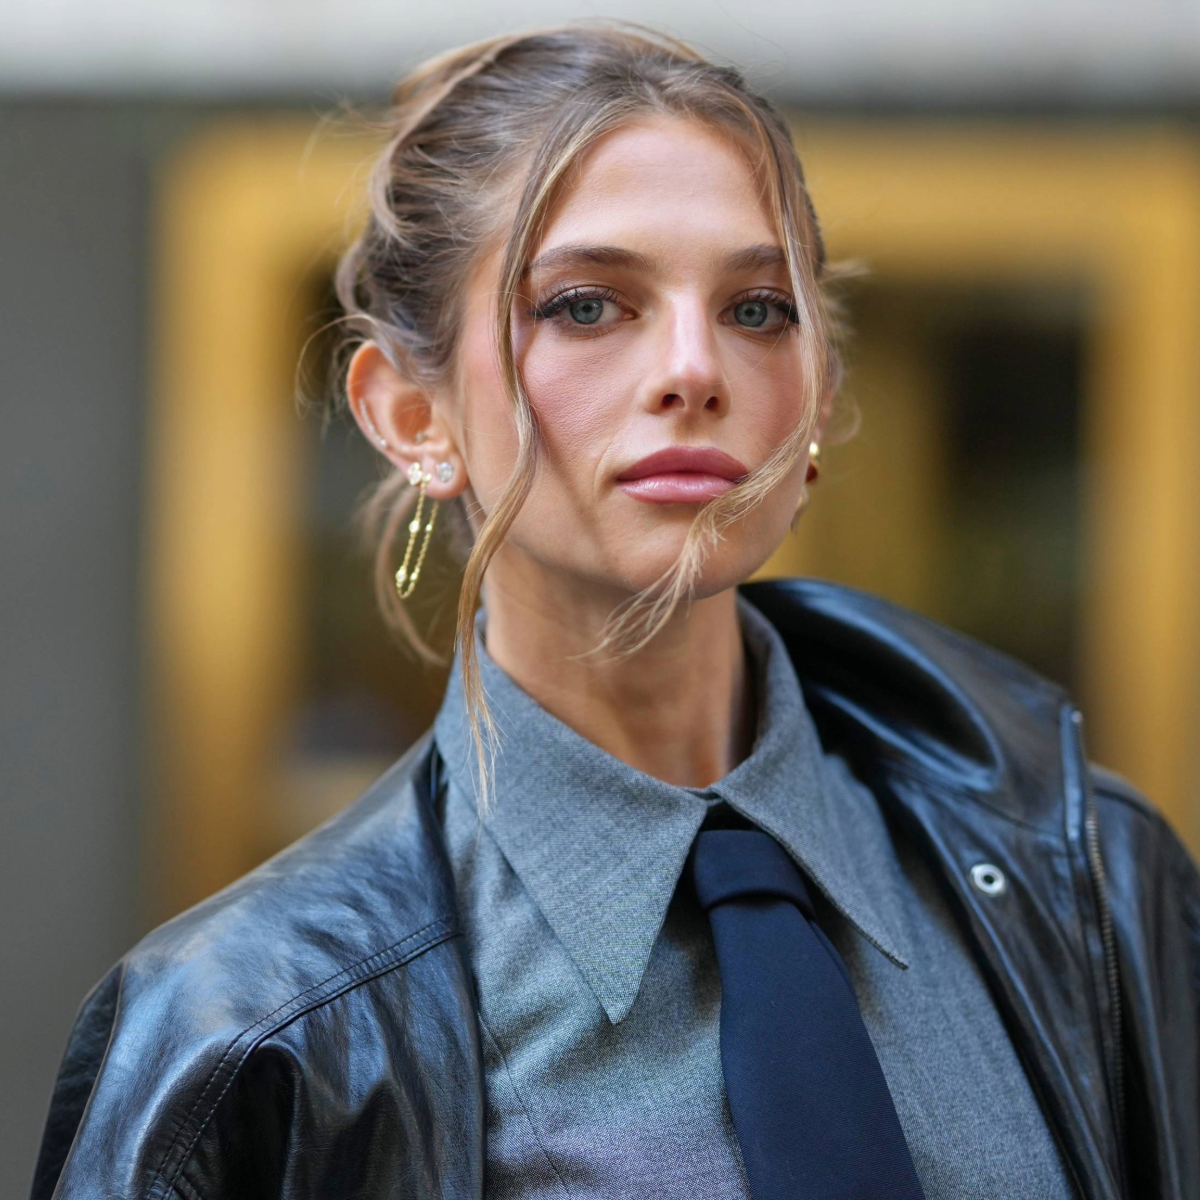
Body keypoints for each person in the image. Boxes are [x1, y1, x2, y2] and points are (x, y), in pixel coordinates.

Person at [30, 20, 1200, 1200]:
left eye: (757, 309)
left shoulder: (1092, 884)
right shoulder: (248, 1028)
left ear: (819, 403)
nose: (695, 369)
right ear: (408, 414)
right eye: (588, 306)